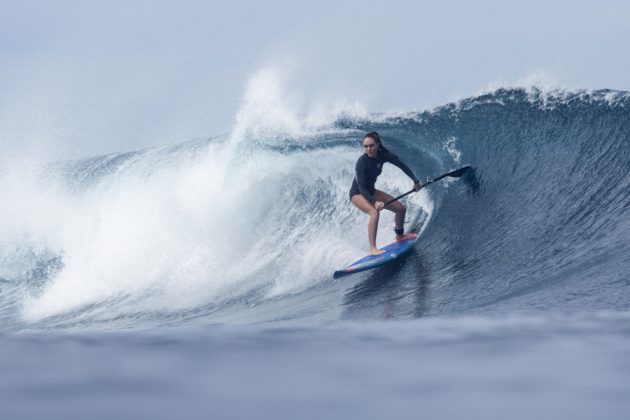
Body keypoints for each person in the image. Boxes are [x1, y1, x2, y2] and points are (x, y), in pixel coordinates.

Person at [349, 131, 423, 255]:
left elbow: (402, 165)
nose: (368, 149)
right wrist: (375, 202)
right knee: (374, 212)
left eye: (371, 145)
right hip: (357, 194)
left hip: (371, 191)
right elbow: (361, 188)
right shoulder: (361, 162)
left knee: (400, 209)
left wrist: (415, 181)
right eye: (365, 146)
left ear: (377, 144)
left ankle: (399, 235)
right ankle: (373, 248)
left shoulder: (383, 155)